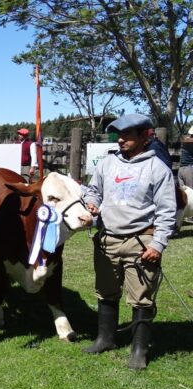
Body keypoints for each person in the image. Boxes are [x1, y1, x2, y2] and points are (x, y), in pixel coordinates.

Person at [83, 113, 176, 370]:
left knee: (142, 297)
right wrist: (92, 202)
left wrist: (157, 244)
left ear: (144, 137)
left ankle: (138, 351)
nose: (121, 139)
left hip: (141, 241)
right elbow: (93, 190)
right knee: (106, 291)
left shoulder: (157, 168)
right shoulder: (107, 164)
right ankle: (105, 338)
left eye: (127, 135)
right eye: (118, 135)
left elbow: (167, 211)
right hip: (108, 240)